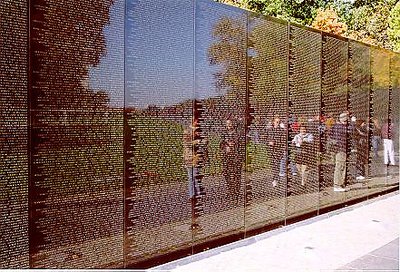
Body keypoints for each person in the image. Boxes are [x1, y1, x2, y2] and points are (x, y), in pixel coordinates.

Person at [183, 117, 203, 230]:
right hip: (189, 158)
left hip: (195, 158)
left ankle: (197, 194)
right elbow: (187, 144)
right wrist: (197, 141)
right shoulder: (187, 132)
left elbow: (204, 141)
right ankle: (192, 195)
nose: (196, 123)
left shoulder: (198, 132)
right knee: (191, 177)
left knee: (195, 177)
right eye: (195, 121)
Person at [267, 116, 296, 187]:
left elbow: (284, 141)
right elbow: (265, 138)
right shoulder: (269, 130)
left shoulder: (282, 130)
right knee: (274, 165)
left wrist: (283, 149)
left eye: (279, 122)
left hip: (279, 150)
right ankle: (275, 179)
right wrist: (269, 142)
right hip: (271, 150)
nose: (278, 123)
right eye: (276, 122)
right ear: (273, 122)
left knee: (279, 164)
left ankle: (278, 179)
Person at [220, 118, 243, 204]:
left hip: (236, 158)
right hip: (226, 158)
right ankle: (231, 190)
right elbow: (221, 145)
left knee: (237, 176)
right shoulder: (224, 133)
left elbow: (242, 145)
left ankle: (235, 194)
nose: (229, 125)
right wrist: (225, 147)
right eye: (227, 123)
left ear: (233, 124)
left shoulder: (238, 133)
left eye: (230, 123)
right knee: (227, 174)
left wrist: (239, 156)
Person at [329, 112, 348, 192]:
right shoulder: (340, 127)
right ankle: (337, 185)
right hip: (341, 149)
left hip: (340, 149)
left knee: (342, 166)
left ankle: (340, 184)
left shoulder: (336, 126)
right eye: (346, 117)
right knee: (340, 166)